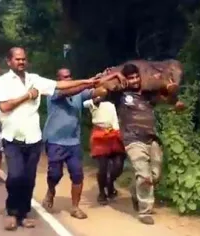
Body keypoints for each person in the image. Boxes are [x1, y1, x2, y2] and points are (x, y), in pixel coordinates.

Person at [0, 47, 106, 231]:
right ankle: (12, 212)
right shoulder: (2, 82)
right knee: (15, 176)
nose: (21, 62)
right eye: (17, 59)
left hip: (33, 138)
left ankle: (23, 214)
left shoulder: (34, 79)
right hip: (12, 138)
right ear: (9, 62)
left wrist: (88, 81)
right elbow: (4, 106)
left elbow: (59, 85)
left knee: (29, 179)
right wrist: (27, 96)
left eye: (23, 59)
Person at [99, 63, 185, 225]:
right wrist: (116, 77)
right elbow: (100, 87)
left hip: (151, 138)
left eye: (136, 76)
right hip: (132, 139)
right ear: (126, 79)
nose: (134, 80)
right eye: (130, 78)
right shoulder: (120, 95)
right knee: (144, 175)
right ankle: (145, 210)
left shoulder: (148, 94)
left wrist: (176, 101)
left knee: (155, 174)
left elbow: (168, 99)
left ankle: (135, 190)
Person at [40, 68, 119, 219]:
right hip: (55, 140)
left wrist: (105, 81)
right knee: (55, 174)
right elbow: (68, 92)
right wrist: (90, 82)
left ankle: (75, 207)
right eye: (64, 78)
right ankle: (51, 191)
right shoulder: (53, 92)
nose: (67, 79)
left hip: (73, 142)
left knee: (77, 175)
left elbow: (98, 92)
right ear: (58, 80)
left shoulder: (79, 94)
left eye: (69, 76)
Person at [83, 96, 126, 205]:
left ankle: (110, 183)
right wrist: (96, 98)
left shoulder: (117, 98)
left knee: (118, 166)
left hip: (115, 133)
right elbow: (86, 104)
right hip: (100, 134)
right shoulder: (94, 101)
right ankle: (102, 193)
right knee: (102, 167)